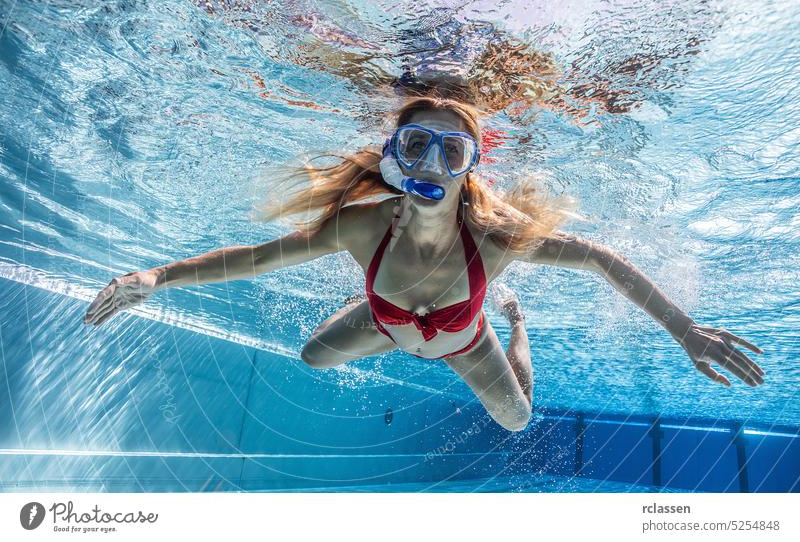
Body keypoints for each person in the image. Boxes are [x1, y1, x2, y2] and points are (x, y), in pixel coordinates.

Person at [83, 93, 766, 432]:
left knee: (518, 419)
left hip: (465, 340)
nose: (432, 165)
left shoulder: (493, 238)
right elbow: (259, 258)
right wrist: (158, 276)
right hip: (384, 322)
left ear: (471, 169)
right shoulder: (359, 226)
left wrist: (685, 329)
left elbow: (598, 258)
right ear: (394, 159)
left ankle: (515, 326)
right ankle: (376, 313)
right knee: (312, 357)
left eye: (453, 151)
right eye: (416, 147)